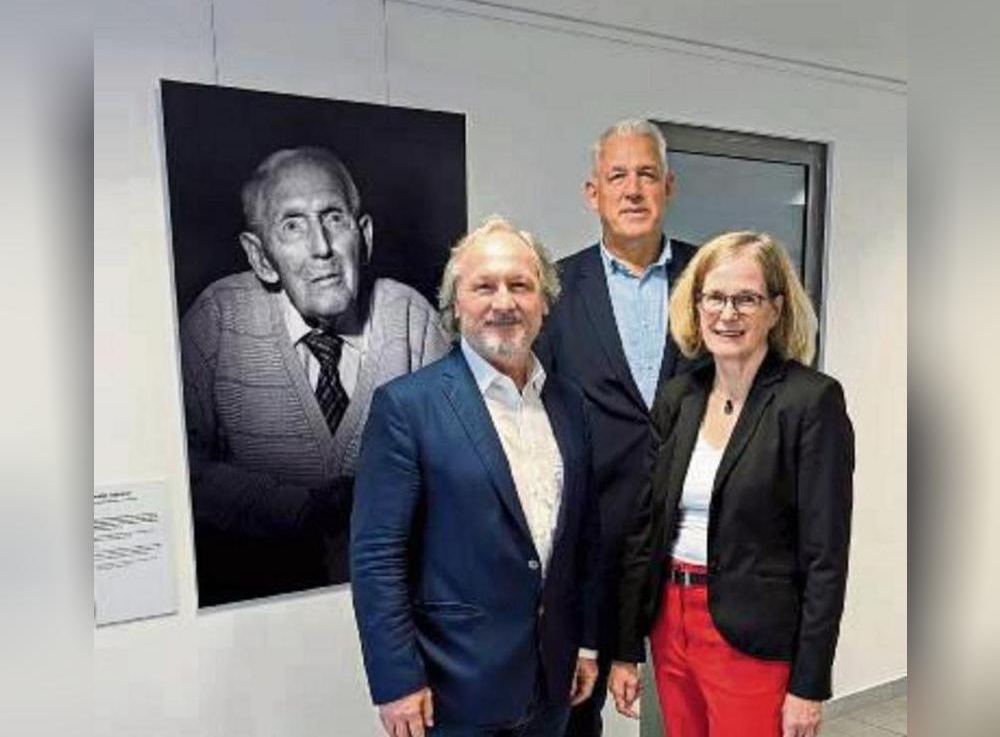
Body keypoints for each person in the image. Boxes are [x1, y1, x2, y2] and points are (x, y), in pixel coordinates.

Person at [351, 216, 602, 736]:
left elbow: (584, 541)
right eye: (483, 286)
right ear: (456, 303)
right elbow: (377, 557)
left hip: (553, 681)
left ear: (544, 301)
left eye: (520, 285)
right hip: (452, 690)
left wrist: (585, 640)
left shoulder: (569, 403)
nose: (503, 302)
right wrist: (396, 680)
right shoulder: (407, 407)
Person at [608, 231, 855, 737]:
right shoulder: (679, 397)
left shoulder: (810, 402)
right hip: (670, 622)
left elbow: (825, 557)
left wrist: (809, 684)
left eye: (747, 298)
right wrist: (627, 647)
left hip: (752, 633)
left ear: (775, 309)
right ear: (695, 304)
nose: (728, 313)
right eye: (715, 297)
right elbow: (646, 529)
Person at [180, 146, 449, 605]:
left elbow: (454, 467)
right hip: (256, 607)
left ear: (362, 236)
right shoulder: (218, 319)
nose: (321, 247)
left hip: (395, 600)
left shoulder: (410, 317)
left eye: (334, 218)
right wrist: (299, 509)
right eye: (292, 226)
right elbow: (183, 468)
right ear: (261, 256)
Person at [534, 118, 697, 735]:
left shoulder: (710, 282)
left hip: (691, 547)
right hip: (592, 550)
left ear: (669, 187)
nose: (633, 190)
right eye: (617, 176)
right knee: (577, 715)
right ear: (592, 192)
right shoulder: (554, 290)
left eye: (647, 174)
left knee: (700, 709)